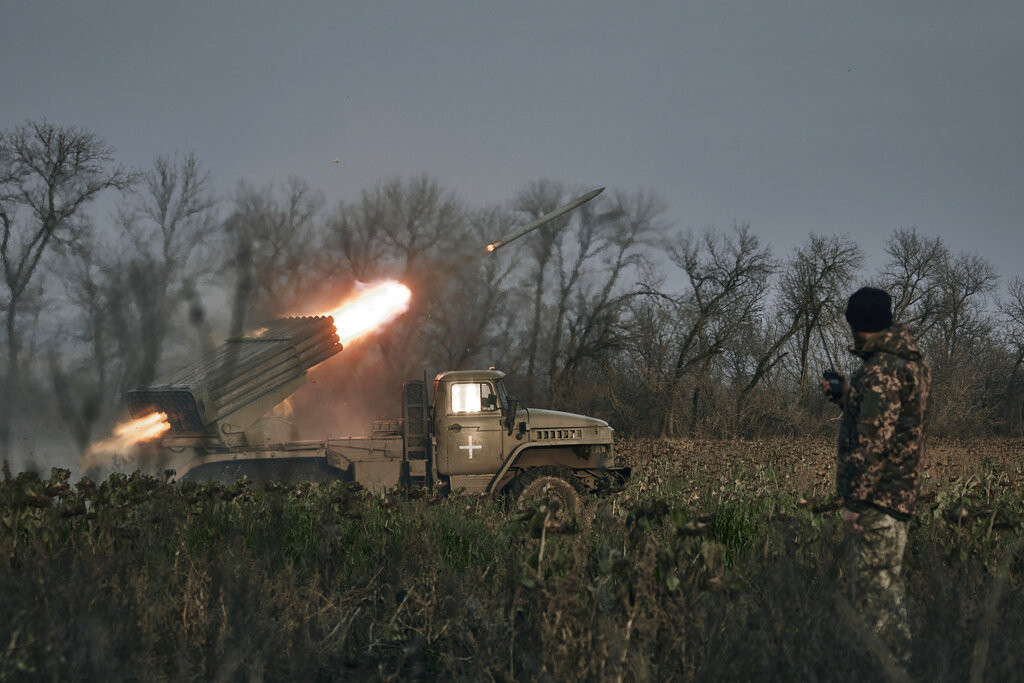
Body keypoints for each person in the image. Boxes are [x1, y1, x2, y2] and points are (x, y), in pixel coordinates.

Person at [821, 286, 931, 664]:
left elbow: (873, 444)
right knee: (888, 592)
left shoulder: (882, 369)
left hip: (879, 501)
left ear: (859, 325)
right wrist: (846, 395)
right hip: (897, 498)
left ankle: (887, 668)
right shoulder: (909, 362)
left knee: (876, 600)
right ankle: (901, 665)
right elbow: (886, 419)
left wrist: (855, 503)